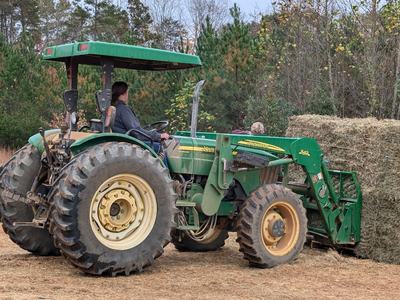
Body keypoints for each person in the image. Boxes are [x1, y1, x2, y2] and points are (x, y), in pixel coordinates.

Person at [111, 81, 170, 146]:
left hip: (121, 140)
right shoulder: (123, 110)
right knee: (159, 147)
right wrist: (159, 136)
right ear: (123, 93)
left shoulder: (114, 107)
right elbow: (136, 132)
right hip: (127, 143)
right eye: (127, 92)